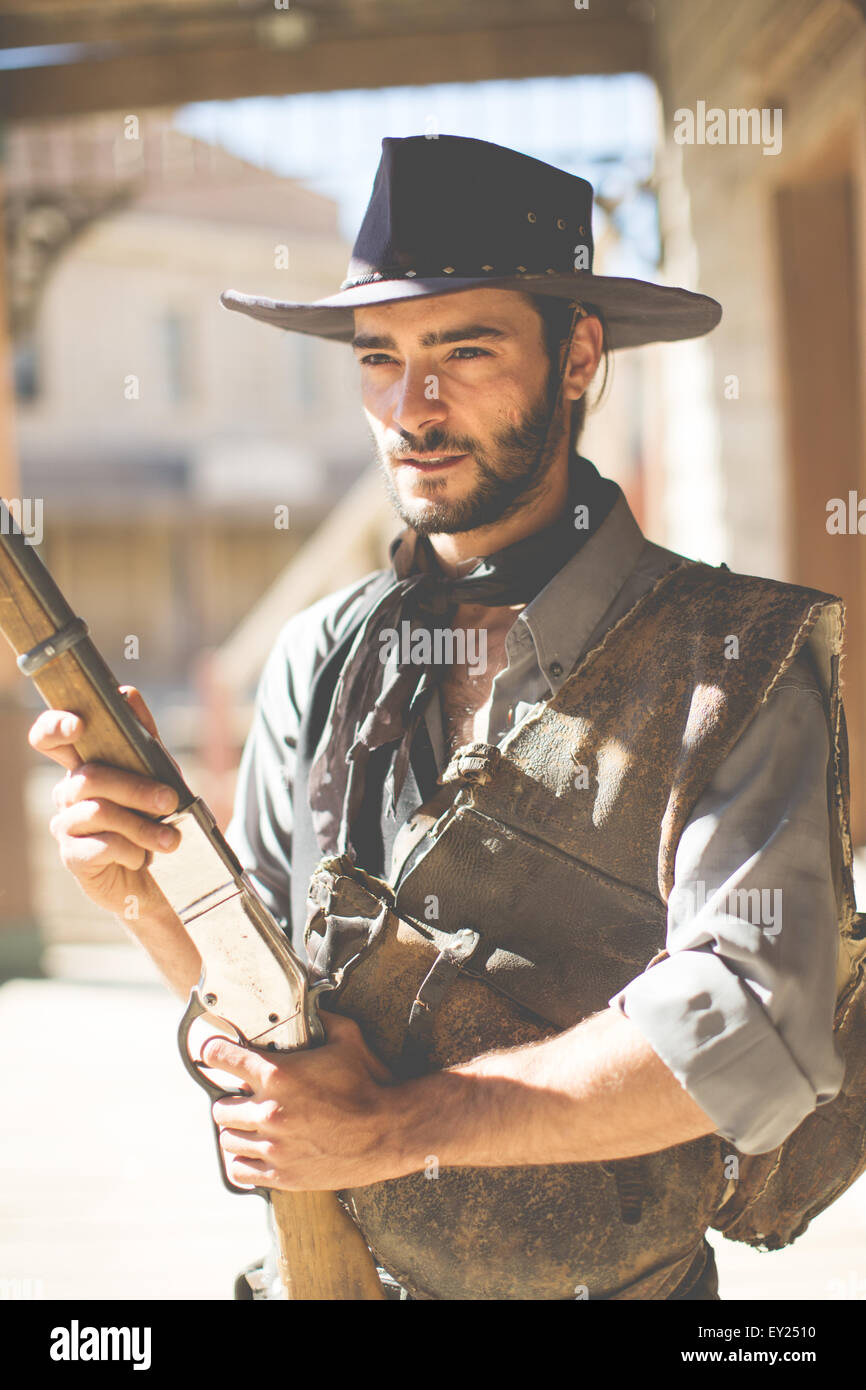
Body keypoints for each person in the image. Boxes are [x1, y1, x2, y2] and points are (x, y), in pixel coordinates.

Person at [32, 136, 849, 1301]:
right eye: (380, 357)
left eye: (463, 351)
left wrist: (398, 1126)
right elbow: (270, 986)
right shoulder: (322, 652)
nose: (411, 406)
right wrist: (149, 897)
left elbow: (749, 1024)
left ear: (576, 356)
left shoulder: (732, 659)